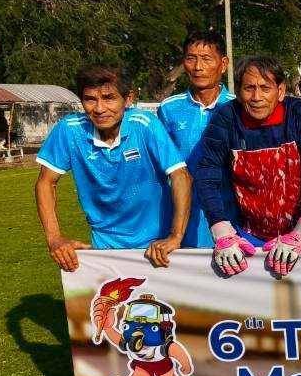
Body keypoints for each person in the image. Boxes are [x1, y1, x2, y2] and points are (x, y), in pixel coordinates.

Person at [34, 66, 191, 272]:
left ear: (128, 99)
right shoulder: (70, 129)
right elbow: (45, 182)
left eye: (109, 98)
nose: (99, 108)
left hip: (157, 244)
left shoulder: (144, 124)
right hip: (105, 246)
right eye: (90, 99)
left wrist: (175, 236)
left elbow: (181, 176)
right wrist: (54, 238)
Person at [194, 56, 301, 277]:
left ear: (280, 91)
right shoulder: (226, 118)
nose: (256, 97)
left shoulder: (300, 115)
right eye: (249, 88)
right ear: (238, 92)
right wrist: (222, 231)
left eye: (265, 88)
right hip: (247, 236)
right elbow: (206, 175)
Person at [157, 30, 237, 248]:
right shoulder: (169, 108)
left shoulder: (237, 107)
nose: (198, 67)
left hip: (229, 216)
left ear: (223, 64)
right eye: (191, 58)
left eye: (206, 59)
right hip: (180, 216)